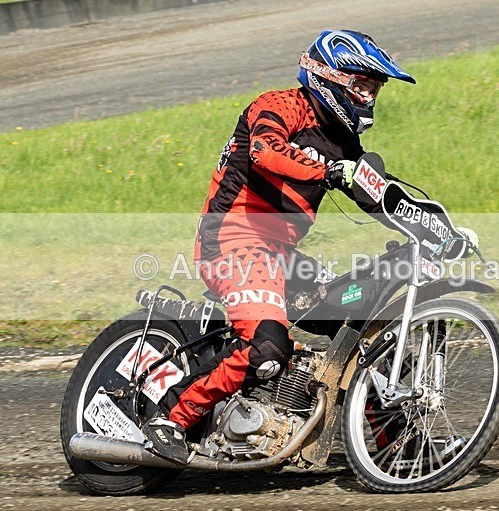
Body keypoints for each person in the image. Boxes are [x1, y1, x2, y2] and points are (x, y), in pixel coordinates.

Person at [143, 29, 417, 464]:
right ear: (333, 79)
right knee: (268, 345)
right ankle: (170, 419)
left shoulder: (346, 144)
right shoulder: (278, 105)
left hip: (282, 257)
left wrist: (437, 228)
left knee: (363, 328)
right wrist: (326, 170)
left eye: (374, 90)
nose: (368, 99)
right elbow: (264, 151)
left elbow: (378, 194)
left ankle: (399, 448)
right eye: (362, 86)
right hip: (233, 238)